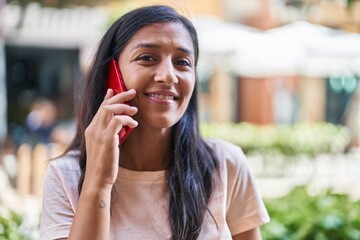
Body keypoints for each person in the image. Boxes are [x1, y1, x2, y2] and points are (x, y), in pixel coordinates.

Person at [40, 5, 270, 240]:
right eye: (147, 58)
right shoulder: (64, 176)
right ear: (113, 74)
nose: (169, 75)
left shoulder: (226, 164)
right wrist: (98, 183)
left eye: (183, 62)